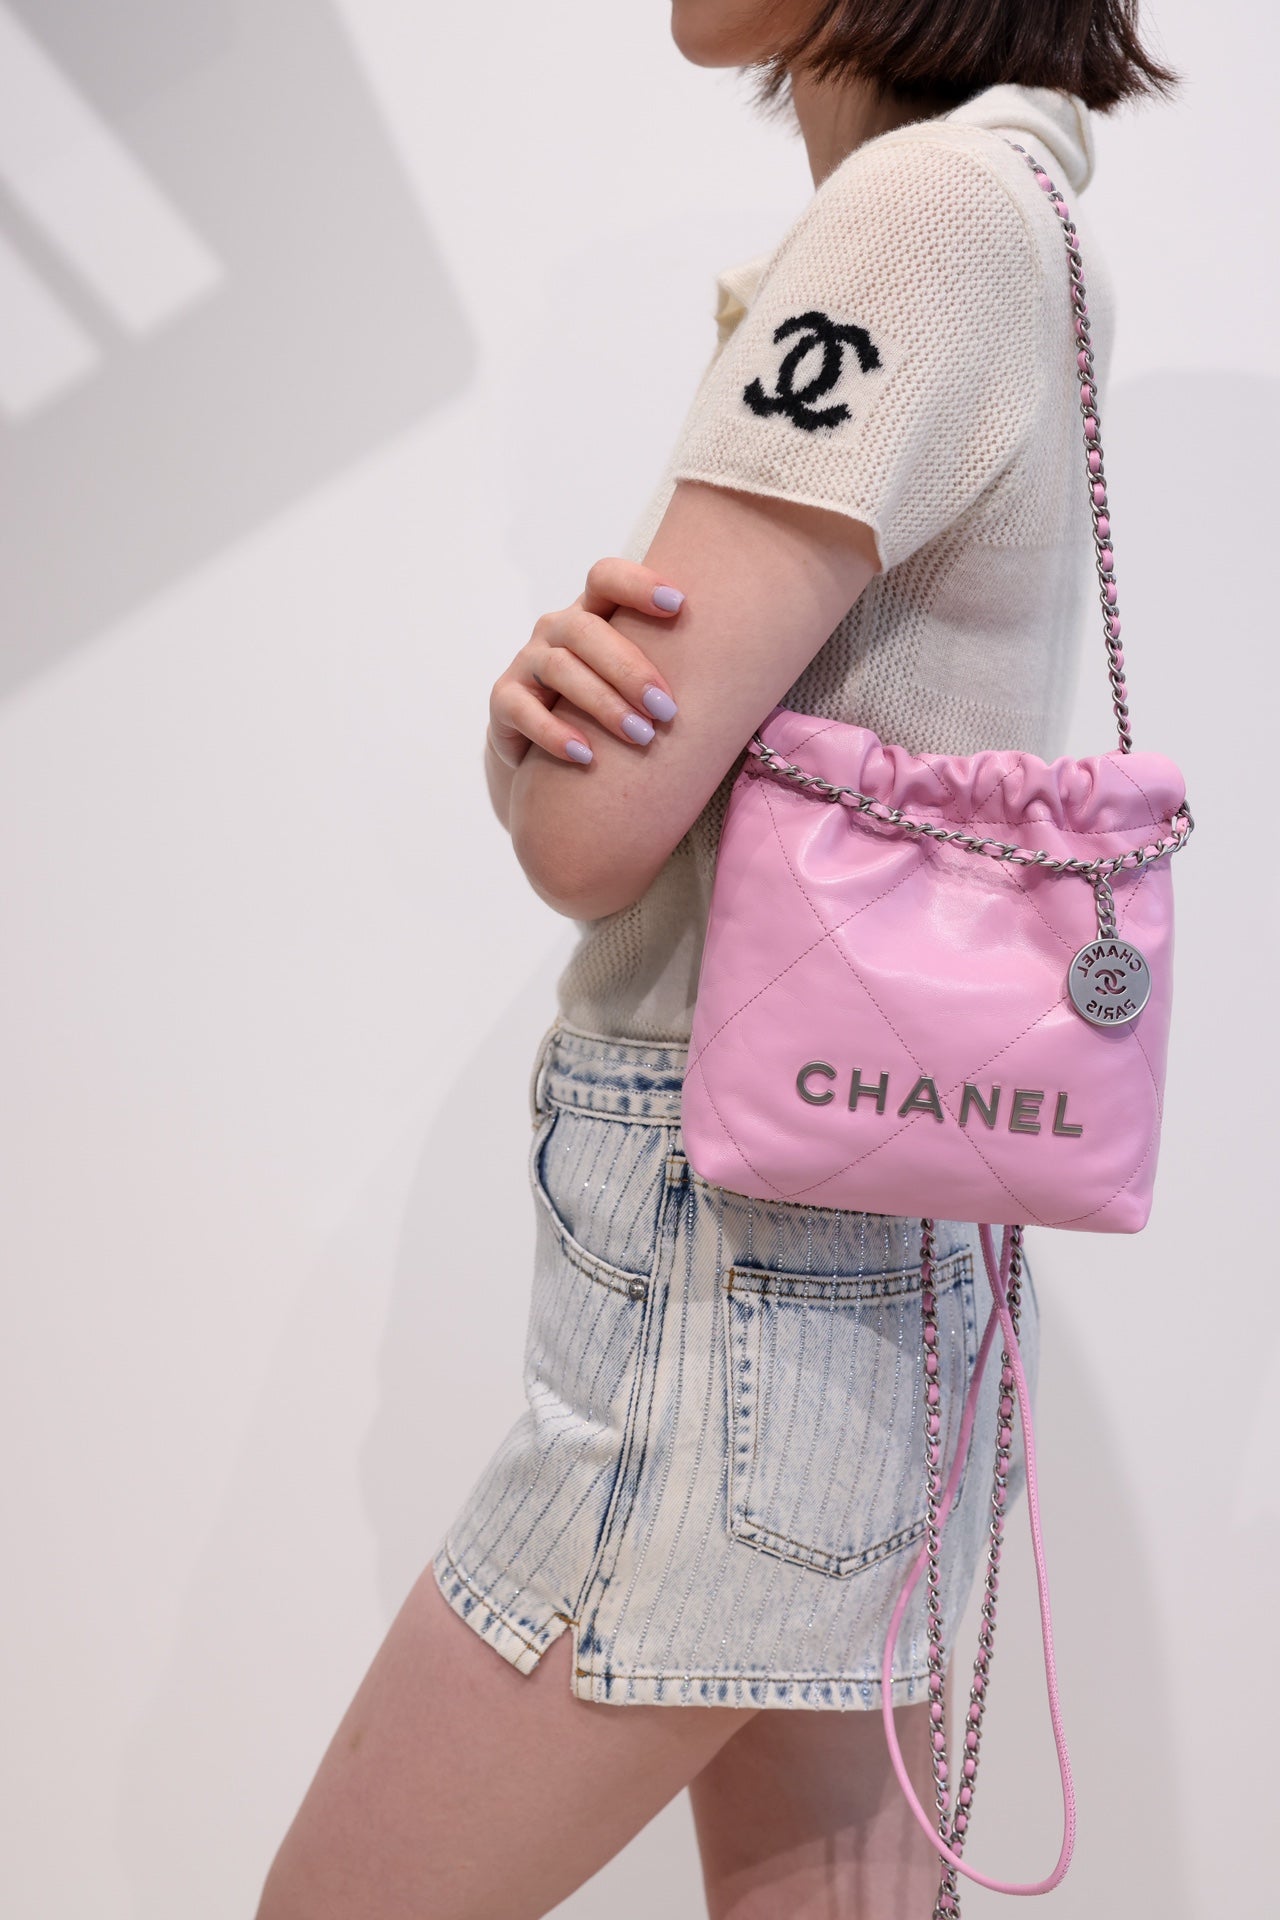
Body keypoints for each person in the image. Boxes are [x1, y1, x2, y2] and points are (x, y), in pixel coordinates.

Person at [256, 4, 1176, 1916]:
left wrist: (530, 742)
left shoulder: (917, 218)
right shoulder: (1020, 202)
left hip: (732, 1270)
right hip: (877, 1263)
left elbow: (595, 831)